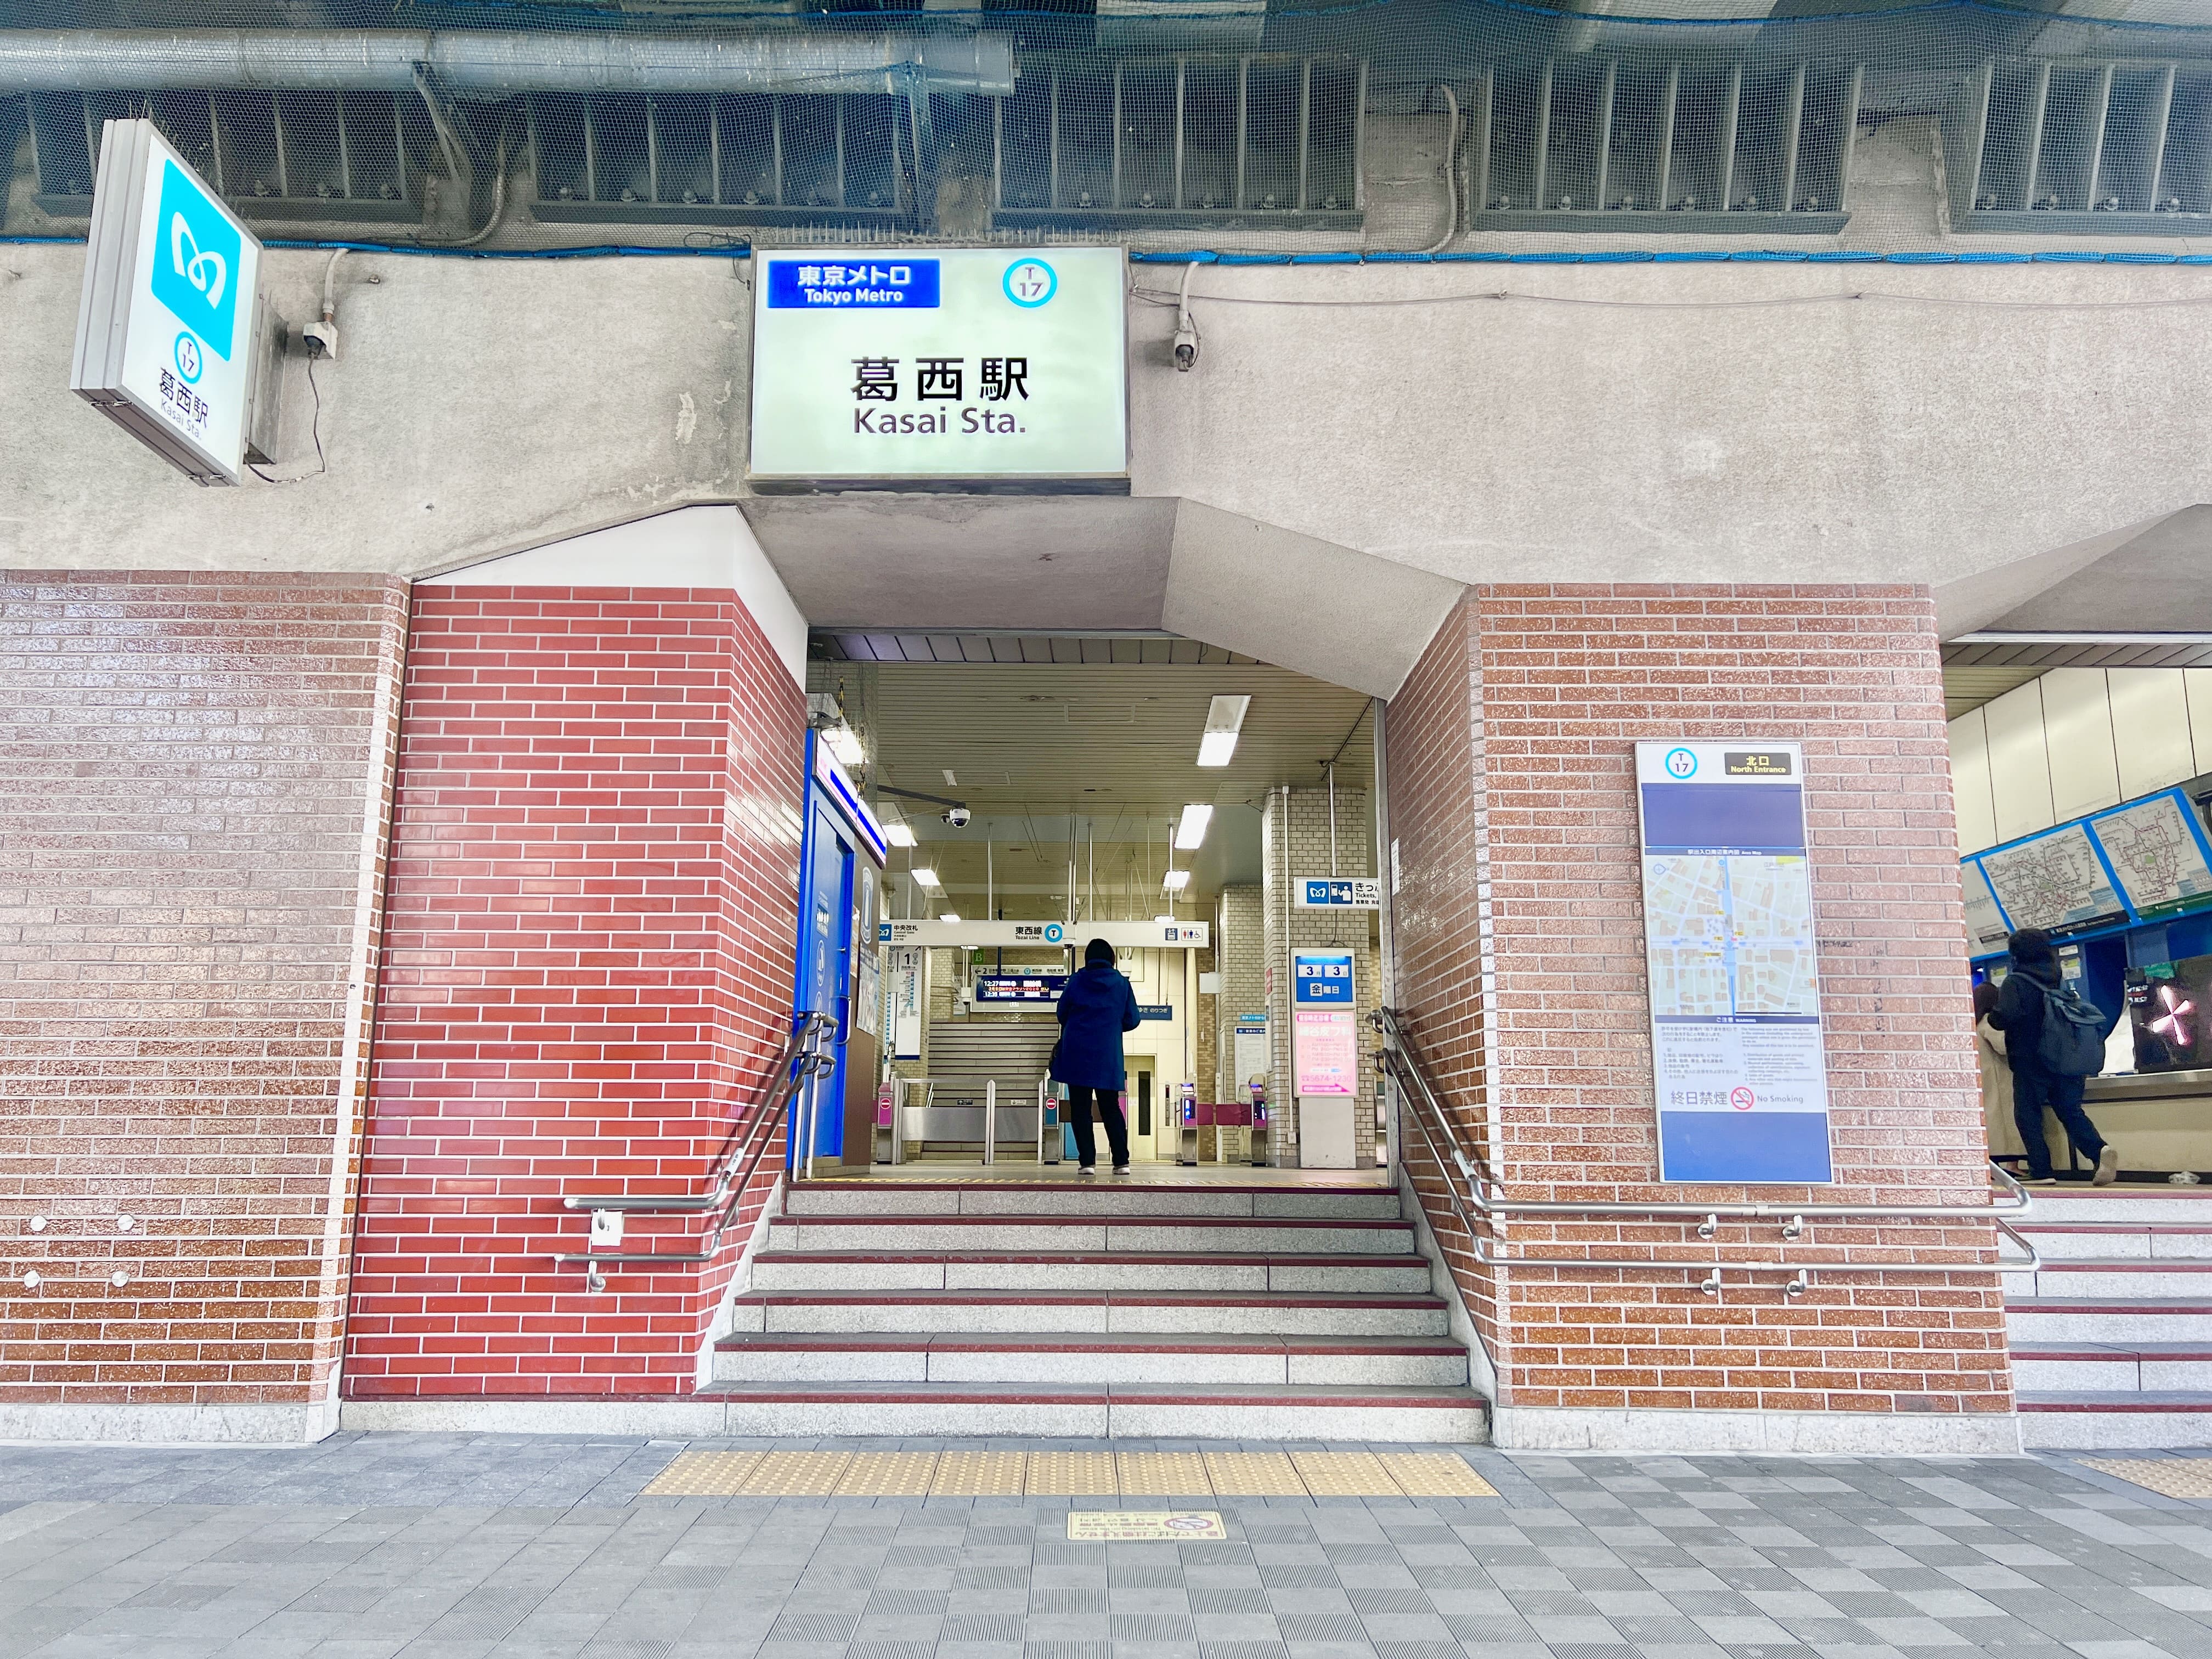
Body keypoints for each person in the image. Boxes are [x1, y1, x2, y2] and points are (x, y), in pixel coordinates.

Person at [1989, 927, 2118, 1186]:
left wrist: (1993, 1015)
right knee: (2070, 1111)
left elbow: (2004, 1017)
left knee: (2028, 1115)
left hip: (2031, 1061)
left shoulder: (2015, 982)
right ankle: (2099, 1151)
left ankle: (2041, 1170)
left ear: (2016, 954)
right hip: (2065, 1059)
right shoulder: (2056, 978)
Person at [1052, 938, 1142, 1175]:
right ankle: (1121, 1162)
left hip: (1077, 1054)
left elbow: (1061, 1014)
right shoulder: (1122, 983)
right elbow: (1133, 1019)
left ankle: (1087, 1163)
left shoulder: (1076, 981)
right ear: (1111, 959)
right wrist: (1111, 1025)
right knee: (1110, 1107)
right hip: (1107, 1055)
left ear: (1088, 958)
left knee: (1080, 1109)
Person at [1973, 980, 2023, 1165]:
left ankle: (1996, 1166)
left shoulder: (1974, 1022)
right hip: (1999, 1080)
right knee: (2006, 1121)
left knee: (1991, 1121)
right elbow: (2003, 1047)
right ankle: (2012, 1165)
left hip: (1985, 1079)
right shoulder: (1989, 1021)